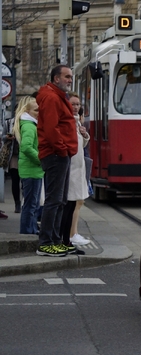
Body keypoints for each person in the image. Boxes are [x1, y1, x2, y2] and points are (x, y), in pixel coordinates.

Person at [35, 64, 79, 257]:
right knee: (54, 200)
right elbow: (52, 129)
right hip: (55, 154)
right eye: (67, 77)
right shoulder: (52, 98)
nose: (70, 80)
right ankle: (46, 243)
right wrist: (62, 150)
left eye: (71, 77)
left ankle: (55, 240)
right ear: (56, 79)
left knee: (59, 200)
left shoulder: (58, 97)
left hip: (60, 154)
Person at [60, 92, 90, 250]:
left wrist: (85, 136)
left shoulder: (78, 122)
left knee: (73, 204)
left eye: (78, 104)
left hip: (78, 168)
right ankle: (65, 239)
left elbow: (80, 145)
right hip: (70, 168)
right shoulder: (67, 121)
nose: (76, 107)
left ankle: (67, 239)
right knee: (68, 205)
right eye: (73, 104)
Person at [14, 96, 44, 234]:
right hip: (32, 170)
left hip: (32, 170)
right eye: (37, 110)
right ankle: (27, 232)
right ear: (27, 111)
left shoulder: (29, 124)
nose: (40, 113)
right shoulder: (29, 126)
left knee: (33, 204)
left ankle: (31, 229)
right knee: (31, 204)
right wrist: (40, 159)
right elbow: (26, 147)